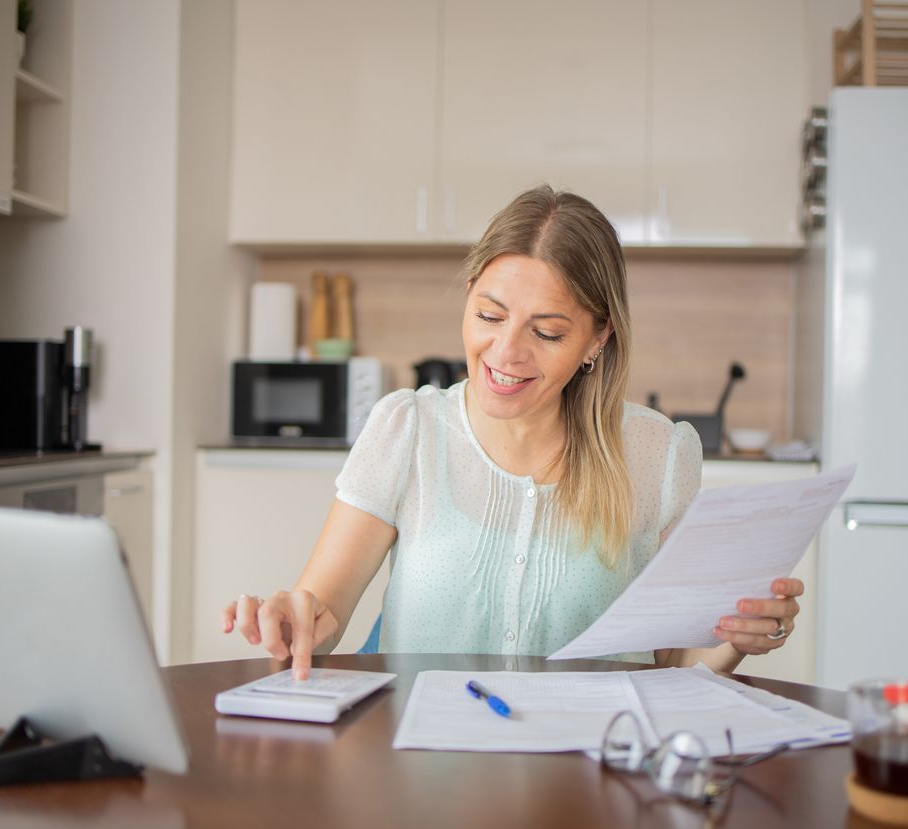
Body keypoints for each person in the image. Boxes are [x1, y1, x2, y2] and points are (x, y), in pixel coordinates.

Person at [222, 186, 802, 680]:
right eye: (489, 316)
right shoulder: (409, 430)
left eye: (547, 332)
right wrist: (296, 617)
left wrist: (734, 637)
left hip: (585, 776)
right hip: (423, 773)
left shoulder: (658, 455)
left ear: (597, 339)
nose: (505, 353)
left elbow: (677, 656)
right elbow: (322, 608)